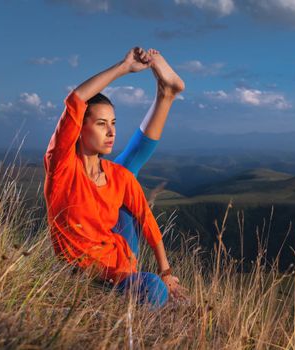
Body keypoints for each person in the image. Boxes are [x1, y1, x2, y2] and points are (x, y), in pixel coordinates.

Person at [43, 47, 189, 309]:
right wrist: (123, 67)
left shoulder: (116, 176)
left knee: (126, 173)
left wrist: (166, 273)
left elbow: (145, 218)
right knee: (153, 289)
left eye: (113, 123)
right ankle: (166, 96)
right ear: (79, 129)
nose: (111, 132)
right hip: (88, 276)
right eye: (101, 124)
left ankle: (166, 95)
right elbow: (76, 99)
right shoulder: (63, 168)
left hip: (121, 266)